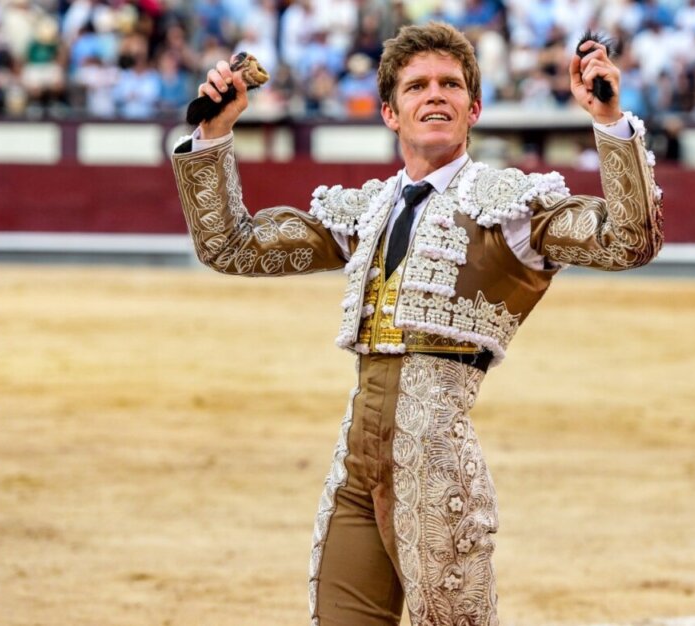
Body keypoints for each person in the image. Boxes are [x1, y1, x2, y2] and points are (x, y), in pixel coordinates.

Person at [170, 21, 662, 626]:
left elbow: (628, 241)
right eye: (417, 86)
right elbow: (232, 248)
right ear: (389, 113)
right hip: (356, 468)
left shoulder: (510, 207)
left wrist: (608, 121)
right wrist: (215, 133)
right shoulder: (365, 212)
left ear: (473, 109)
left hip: (438, 473)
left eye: (451, 85)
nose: (435, 95)